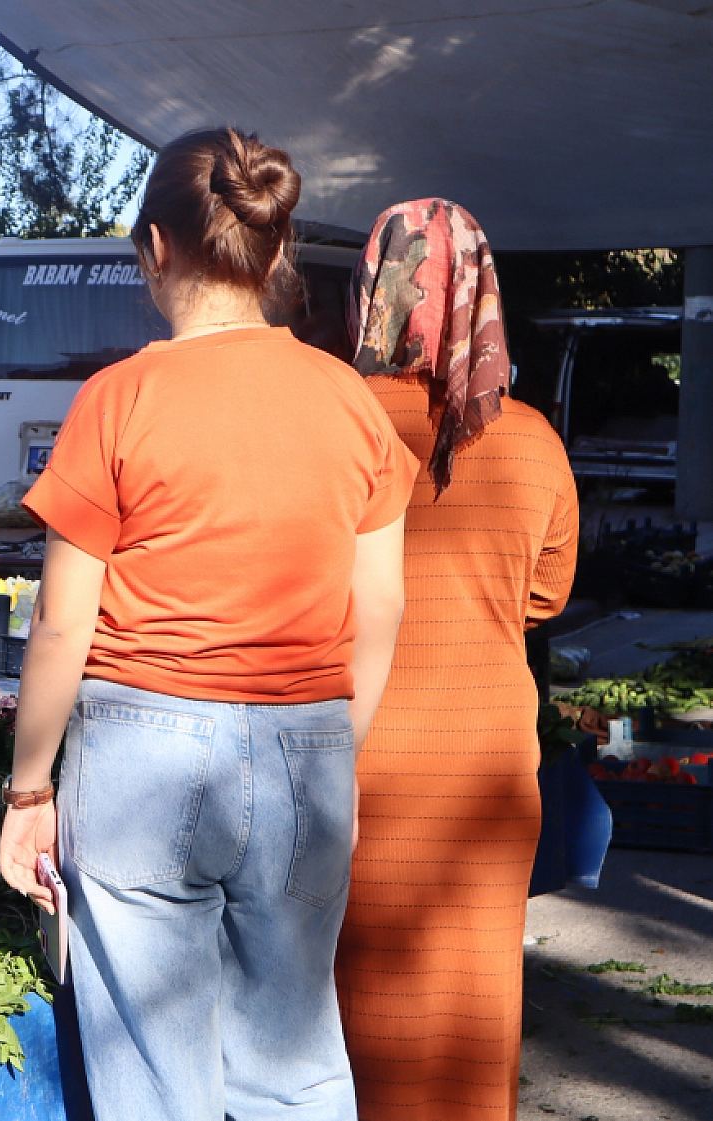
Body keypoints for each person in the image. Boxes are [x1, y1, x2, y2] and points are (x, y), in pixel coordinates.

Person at [0, 127, 417, 1121]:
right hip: (306, 740)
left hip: (142, 748)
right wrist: (323, 742)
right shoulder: (350, 404)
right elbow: (383, 603)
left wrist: (25, 789)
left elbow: (62, 624)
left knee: (155, 1080)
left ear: (153, 247)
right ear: (275, 254)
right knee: (293, 1063)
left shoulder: (116, 400)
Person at [336, 200, 578, 1121]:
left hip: (355, 765)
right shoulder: (534, 445)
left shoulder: (338, 425)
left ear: (375, 290)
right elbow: (543, 599)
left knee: (351, 1015)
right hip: (486, 777)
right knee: (477, 1015)